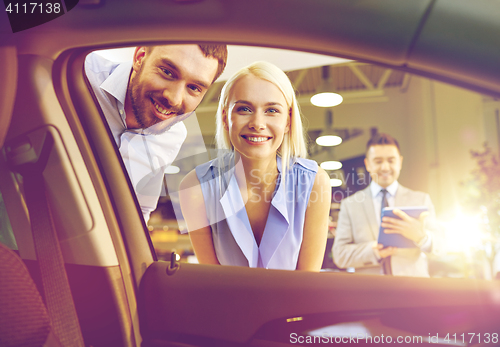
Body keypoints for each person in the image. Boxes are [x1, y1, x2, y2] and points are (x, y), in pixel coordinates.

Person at [178, 61, 331, 271]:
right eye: (244, 109)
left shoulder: (314, 182)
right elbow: (212, 282)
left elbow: (308, 283)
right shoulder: (195, 187)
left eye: (271, 110)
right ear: (225, 118)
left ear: (287, 121)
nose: (257, 123)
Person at [85, 44, 228, 221]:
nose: (174, 99)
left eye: (194, 88)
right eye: (167, 72)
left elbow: (140, 209)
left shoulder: (173, 135)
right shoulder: (80, 74)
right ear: (140, 57)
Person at [332, 133, 439, 277]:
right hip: (369, 293)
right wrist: (373, 250)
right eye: (378, 161)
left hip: (413, 290)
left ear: (400, 162)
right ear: (367, 164)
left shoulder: (421, 200)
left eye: (391, 160)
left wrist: (422, 237)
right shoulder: (350, 205)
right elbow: (340, 255)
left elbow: (441, 247)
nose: (385, 167)